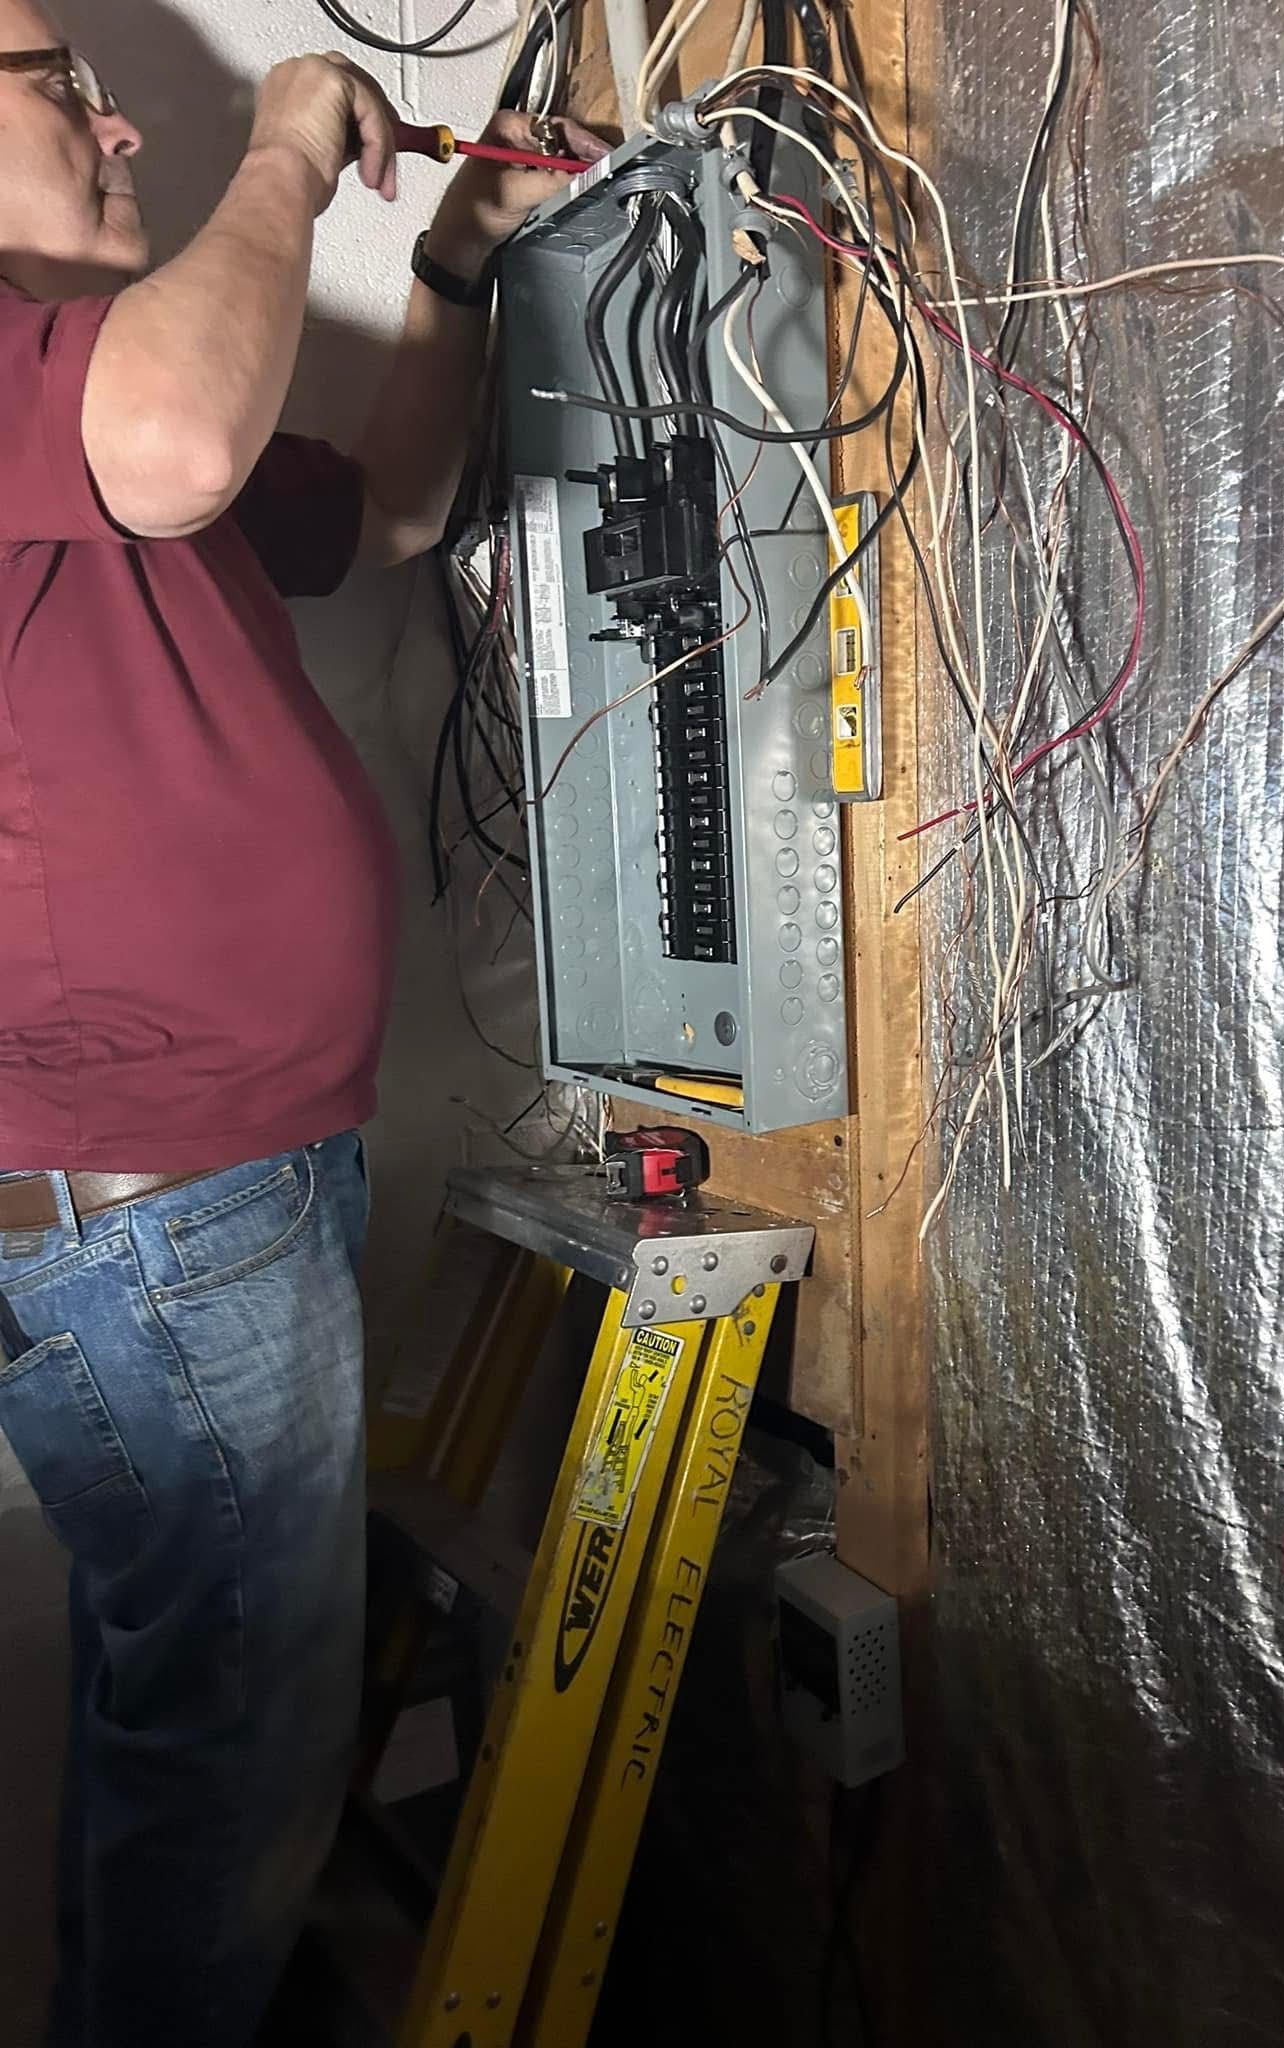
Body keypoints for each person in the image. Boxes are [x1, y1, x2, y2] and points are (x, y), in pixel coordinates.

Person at [0, 8, 604, 2043]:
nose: (114, 127)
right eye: (50, 81)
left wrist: (446, 264)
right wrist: (278, 143)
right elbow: (176, 438)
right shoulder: (64, 393)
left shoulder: (85, 404)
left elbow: (405, 509)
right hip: (162, 1216)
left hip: (195, 1202)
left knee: (191, 1745)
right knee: (224, 1789)